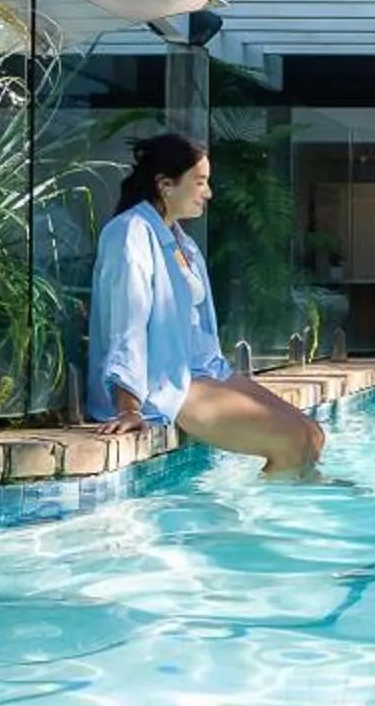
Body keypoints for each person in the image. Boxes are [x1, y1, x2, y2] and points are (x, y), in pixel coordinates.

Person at [89, 133, 325, 477]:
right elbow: (127, 325)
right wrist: (129, 407)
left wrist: (223, 379)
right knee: (290, 441)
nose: (209, 192)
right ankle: (283, 506)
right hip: (161, 385)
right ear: (165, 185)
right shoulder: (130, 233)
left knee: (313, 434)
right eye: (200, 182)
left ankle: (300, 492)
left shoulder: (182, 243)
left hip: (202, 372)